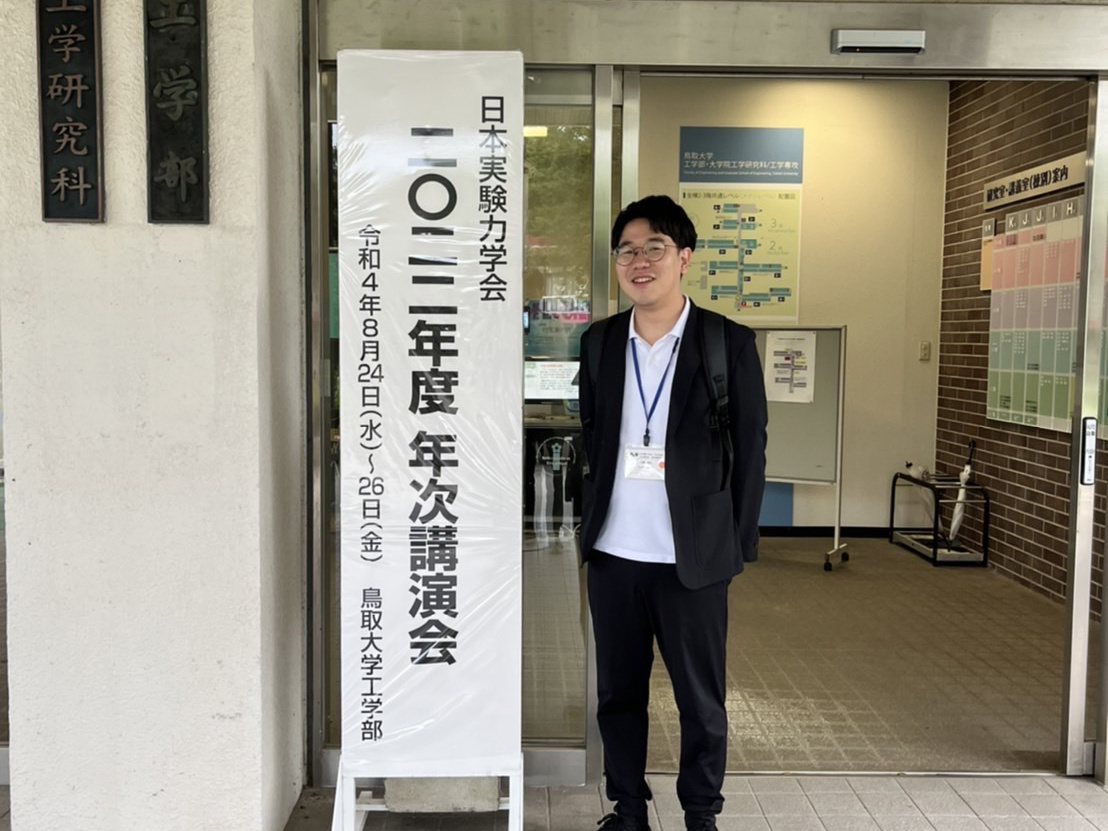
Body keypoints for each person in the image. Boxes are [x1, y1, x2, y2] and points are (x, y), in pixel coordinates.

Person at [577, 195, 768, 831]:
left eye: (654, 248)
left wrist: (736, 543)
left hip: (693, 555)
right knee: (618, 694)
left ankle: (700, 814)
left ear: (684, 257)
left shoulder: (725, 342)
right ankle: (628, 809)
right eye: (627, 251)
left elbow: (751, 446)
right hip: (614, 553)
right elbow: (593, 435)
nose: (639, 261)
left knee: (700, 699)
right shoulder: (600, 342)